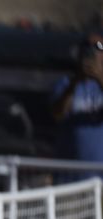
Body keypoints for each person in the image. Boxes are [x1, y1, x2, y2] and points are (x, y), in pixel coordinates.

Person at [51, 32, 103, 182]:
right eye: (87, 47)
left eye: (98, 47)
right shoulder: (66, 84)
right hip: (69, 179)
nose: (92, 52)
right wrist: (75, 82)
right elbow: (58, 114)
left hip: (99, 180)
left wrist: (100, 78)